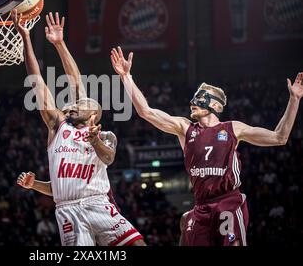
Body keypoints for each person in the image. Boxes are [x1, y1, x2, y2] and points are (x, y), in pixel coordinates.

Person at [110, 46, 303, 246]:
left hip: (228, 201)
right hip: (201, 206)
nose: (194, 100)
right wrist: (127, 77)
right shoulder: (185, 128)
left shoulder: (233, 128)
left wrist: (294, 99)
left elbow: (280, 137)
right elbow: (146, 112)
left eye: (202, 96)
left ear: (216, 106)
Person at [12, 11, 144, 246]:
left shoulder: (104, 135)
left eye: (79, 103)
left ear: (93, 114)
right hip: (68, 211)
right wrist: (28, 38)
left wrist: (94, 141)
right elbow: (38, 80)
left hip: (99, 204)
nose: (71, 105)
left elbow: (109, 158)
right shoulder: (57, 126)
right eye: (72, 103)